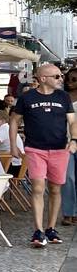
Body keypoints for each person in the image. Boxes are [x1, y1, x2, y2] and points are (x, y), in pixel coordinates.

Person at [9, 62, 77, 247]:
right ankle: (38, 231)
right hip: (35, 149)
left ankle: (51, 228)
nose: (61, 79)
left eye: (60, 76)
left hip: (59, 149)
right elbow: (14, 120)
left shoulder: (63, 97)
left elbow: (72, 122)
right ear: (43, 78)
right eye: (57, 76)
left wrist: (74, 140)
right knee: (38, 188)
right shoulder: (27, 98)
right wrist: (14, 144)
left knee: (55, 189)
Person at [63, 68, 77, 225]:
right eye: (69, 79)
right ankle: (68, 212)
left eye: (74, 79)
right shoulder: (62, 97)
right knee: (68, 178)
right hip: (65, 142)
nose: (70, 82)